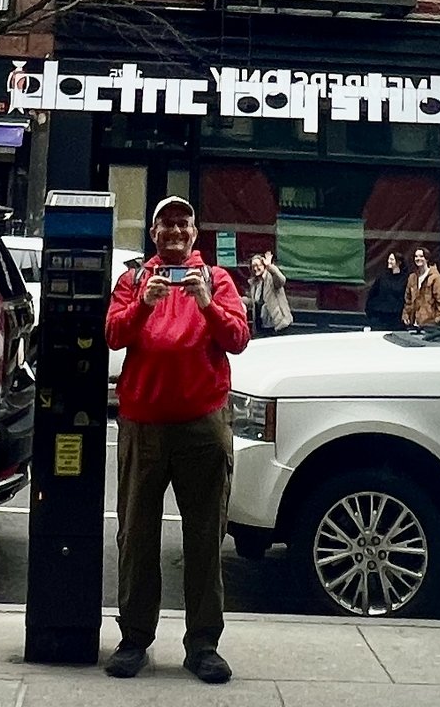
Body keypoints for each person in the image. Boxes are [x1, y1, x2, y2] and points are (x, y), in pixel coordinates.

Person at [103, 195, 249, 685]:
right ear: (153, 234)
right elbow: (113, 335)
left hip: (202, 425)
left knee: (205, 538)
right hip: (143, 425)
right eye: (165, 223)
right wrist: (143, 305)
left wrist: (206, 302)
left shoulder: (217, 280)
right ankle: (134, 639)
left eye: (183, 223)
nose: (174, 231)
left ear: (194, 233)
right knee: (136, 536)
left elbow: (237, 338)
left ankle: (203, 645)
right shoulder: (133, 281)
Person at [246, 251, 293, 337]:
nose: (255, 268)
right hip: (262, 325)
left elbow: (282, 280)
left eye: (258, 265)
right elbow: (254, 301)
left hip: (278, 324)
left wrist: (270, 266)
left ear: (264, 265)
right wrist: (238, 299)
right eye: (253, 266)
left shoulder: (271, 277)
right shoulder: (254, 283)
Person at [402, 247, 440, 327]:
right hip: (413, 324)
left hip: (429, 325)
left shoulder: (436, 278)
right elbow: (408, 300)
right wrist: (406, 315)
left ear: (427, 258)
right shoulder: (412, 277)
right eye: (416, 256)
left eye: (421, 256)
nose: (418, 259)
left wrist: (436, 321)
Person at [365, 251, 408, 330]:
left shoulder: (406, 278)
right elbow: (373, 293)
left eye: (392, 259)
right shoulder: (382, 276)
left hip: (396, 318)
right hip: (380, 316)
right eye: (389, 259)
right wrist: (370, 310)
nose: (389, 261)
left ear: (399, 262)